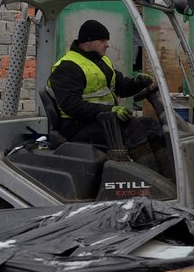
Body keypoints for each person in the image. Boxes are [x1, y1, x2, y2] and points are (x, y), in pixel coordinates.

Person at [46, 19, 168, 172]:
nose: (107, 44)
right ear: (88, 41)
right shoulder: (67, 67)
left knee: (152, 126)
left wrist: (138, 83)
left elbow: (121, 87)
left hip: (102, 121)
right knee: (133, 127)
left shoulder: (101, 61)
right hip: (78, 128)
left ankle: (166, 174)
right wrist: (108, 110)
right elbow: (71, 105)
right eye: (102, 40)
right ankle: (149, 177)